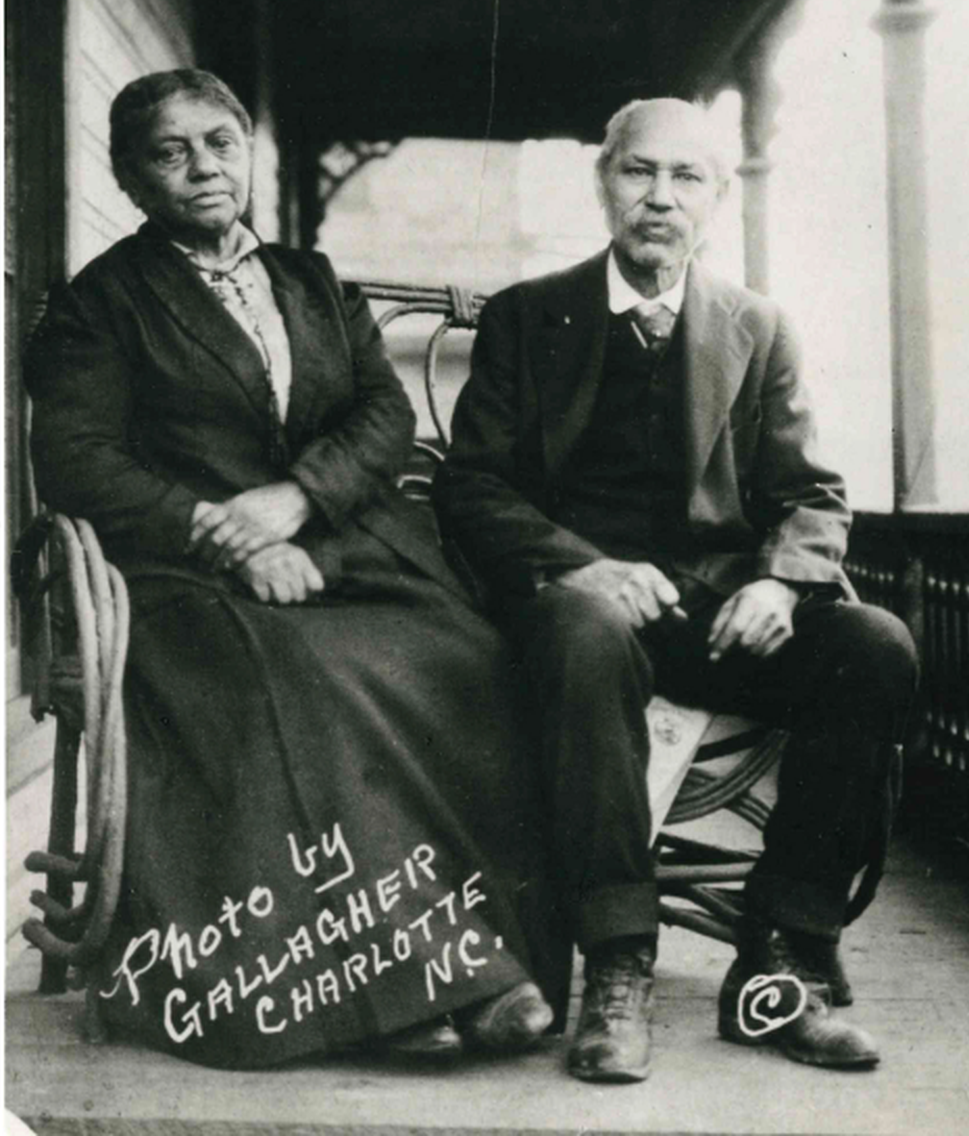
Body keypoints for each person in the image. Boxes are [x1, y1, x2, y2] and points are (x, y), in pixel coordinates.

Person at [24, 69, 565, 1069]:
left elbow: (382, 414)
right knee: (312, 682)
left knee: (470, 658)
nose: (202, 168)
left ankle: (488, 955)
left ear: (249, 153)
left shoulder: (313, 281)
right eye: (169, 153)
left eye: (219, 143)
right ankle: (414, 989)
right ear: (130, 177)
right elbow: (80, 457)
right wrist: (220, 529)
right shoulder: (103, 305)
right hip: (181, 575)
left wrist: (298, 502)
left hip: (342, 544)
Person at [435, 97, 917, 1084]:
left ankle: (783, 953)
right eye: (638, 173)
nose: (659, 197)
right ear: (604, 183)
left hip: (721, 611)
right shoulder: (530, 317)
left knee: (874, 647)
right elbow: (472, 485)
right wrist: (582, 562)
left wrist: (783, 586)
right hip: (574, 608)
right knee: (584, 625)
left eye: (685, 177)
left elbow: (813, 493)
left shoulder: (758, 325)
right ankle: (619, 959)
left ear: (717, 198)